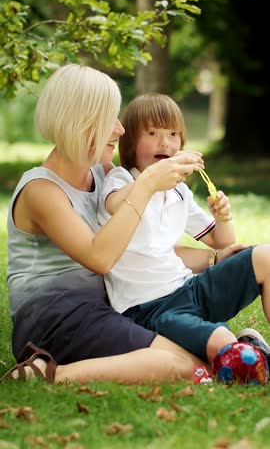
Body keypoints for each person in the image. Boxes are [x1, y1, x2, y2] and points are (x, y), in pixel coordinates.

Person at [0, 64, 219, 386]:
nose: (119, 130)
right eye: (110, 120)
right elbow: (100, 257)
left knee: (202, 358)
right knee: (187, 368)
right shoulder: (41, 190)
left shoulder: (104, 175)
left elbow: (137, 247)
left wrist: (216, 258)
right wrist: (147, 185)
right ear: (79, 122)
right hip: (54, 318)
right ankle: (46, 374)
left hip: (104, 306)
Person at [97, 93, 270, 365]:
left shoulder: (179, 191)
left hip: (188, 289)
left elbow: (220, 241)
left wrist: (223, 217)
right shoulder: (120, 179)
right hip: (149, 310)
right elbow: (115, 205)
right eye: (152, 132)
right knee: (222, 342)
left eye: (173, 133)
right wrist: (154, 178)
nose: (164, 142)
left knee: (266, 256)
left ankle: (246, 348)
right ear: (129, 142)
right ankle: (243, 348)